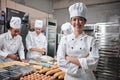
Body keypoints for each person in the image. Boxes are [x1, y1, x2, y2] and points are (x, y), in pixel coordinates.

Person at [57, 2, 99, 80]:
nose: (77, 23)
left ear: (84, 21)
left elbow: (94, 62)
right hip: (70, 78)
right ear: (71, 21)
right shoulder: (64, 39)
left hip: (86, 77)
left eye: (80, 19)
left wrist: (70, 59)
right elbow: (60, 61)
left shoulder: (91, 40)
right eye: (74, 19)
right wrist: (83, 62)